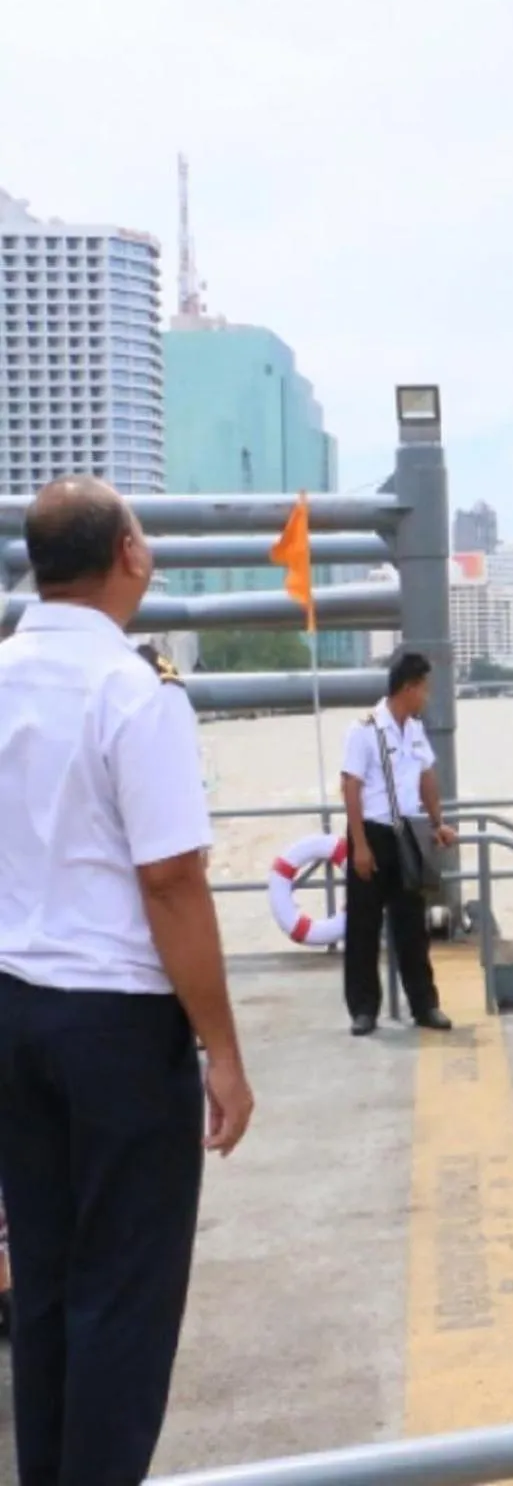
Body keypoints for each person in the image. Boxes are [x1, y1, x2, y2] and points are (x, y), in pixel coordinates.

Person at [0, 476, 256, 1486]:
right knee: (124, 1293)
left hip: (13, 1011)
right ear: (130, 556)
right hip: (114, 1027)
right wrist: (222, 1051)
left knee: (47, 1281)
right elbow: (172, 881)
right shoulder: (132, 690)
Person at [341, 653, 456, 1037]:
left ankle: (425, 1005)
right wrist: (359, 845)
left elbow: (426, 777)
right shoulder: (365, 730)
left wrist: (437, 823)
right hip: (372, 833)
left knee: (412, 926)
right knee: (364, 926)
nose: (427, 696)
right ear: (408, 688)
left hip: (406, 834)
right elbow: (350, 787)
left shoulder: (415, 730)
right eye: (424, 688)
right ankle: (363, 1009)